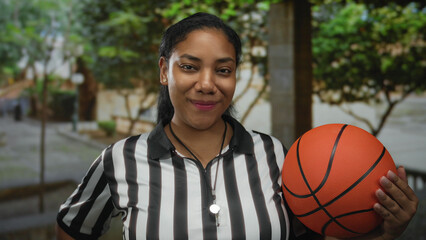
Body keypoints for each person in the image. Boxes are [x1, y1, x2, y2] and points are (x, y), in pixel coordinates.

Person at [56, 13, 418, 240]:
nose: (208, 83)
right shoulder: (120, 159)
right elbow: (71, 229)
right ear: (164, 70)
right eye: (190, 66)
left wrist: (386, 233)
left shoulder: (275, 154)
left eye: (223, 70)